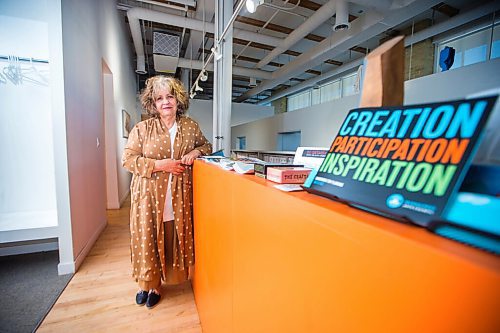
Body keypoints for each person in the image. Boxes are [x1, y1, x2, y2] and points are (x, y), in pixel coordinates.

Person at [122, 76, 212, 309]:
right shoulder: (142, 129)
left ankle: (164, 282)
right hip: (148, 196)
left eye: (170, 96)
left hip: (178, 196)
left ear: (178, 99)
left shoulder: (190, 126)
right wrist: (162, 165)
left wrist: (195, 153)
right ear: (153, 103)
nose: (166, 102)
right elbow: (128, 160)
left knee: (170, 234)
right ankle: (148, 284)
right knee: (148, 236)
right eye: (159, 98)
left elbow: (207, 146)